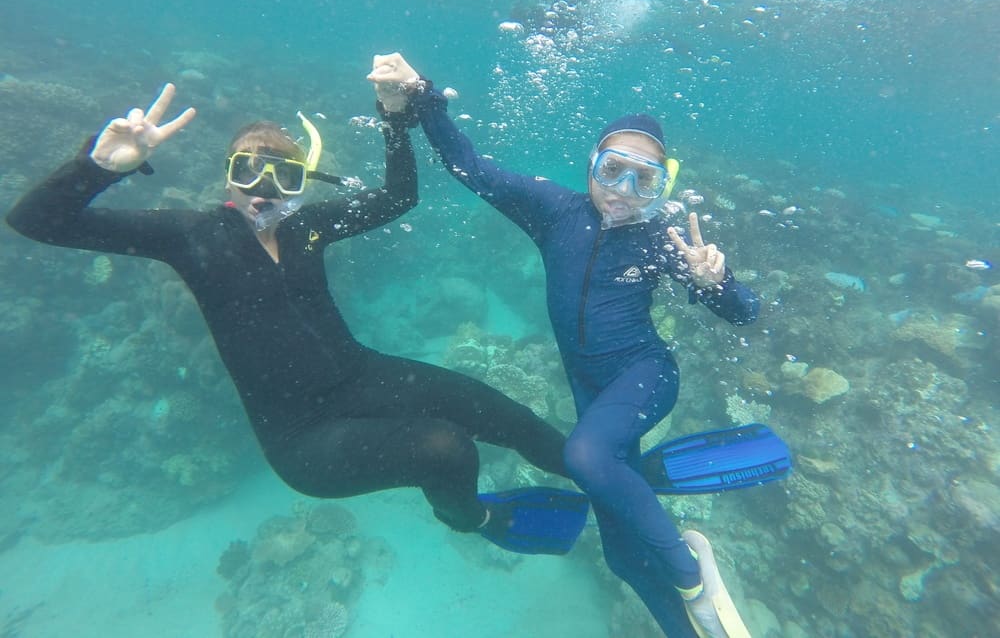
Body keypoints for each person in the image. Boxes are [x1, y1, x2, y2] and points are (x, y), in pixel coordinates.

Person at [6, 82, 590, 555]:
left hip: (361, 377)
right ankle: (476, 519)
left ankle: (604, 477)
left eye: (282, 178)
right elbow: (37, 222)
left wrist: (391, 114)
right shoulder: (190, 235)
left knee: (500, 410)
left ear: (302, 182)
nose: (264, 192)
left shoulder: (306, 225)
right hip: (302, 440)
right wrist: (101, 167)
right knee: (448, 449)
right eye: (247, 173)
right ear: (227, 177)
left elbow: (399, 196)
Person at [369, 53, 761, 638]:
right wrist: (423, 96)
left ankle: (695, 580)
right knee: (623, 558)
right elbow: (469, 165)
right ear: (591, 167)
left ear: (663, 186)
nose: (624, 190)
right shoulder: (555, 212)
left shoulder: (663, 239)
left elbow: (744, 313)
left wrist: (717, 283)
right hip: (591, 392)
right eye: (613, 170)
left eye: (645, 179)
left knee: (584, 456)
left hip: (644, 375)